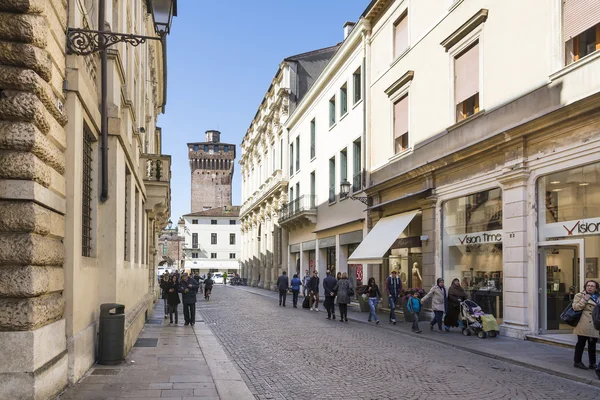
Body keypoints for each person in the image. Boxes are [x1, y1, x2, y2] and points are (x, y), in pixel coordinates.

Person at [572, 280, 600, 370]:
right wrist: (584, 300)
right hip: (583, 322)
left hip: (594, 323)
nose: (590, 287)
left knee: (592, 344)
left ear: (596, 288)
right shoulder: (579, 295)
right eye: (588, 285)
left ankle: (592, 363)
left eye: (592, 286)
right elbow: (575, 307)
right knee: (581, 343)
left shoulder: (598, 297)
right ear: (585, 287)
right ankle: (577, 362)